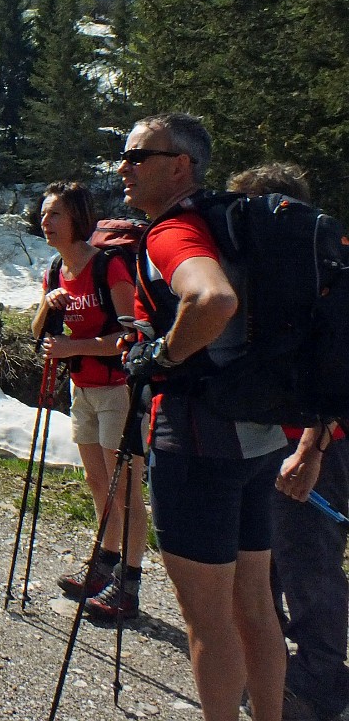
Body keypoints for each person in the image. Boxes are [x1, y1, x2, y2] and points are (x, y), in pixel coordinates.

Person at [119, 113, 288, 721]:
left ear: (181, 165)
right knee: (257, 611)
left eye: (139, 156)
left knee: (208, 622)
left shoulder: (173, 232)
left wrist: (160, 356)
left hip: (195, 442)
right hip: (259, 436)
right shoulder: (234, 223)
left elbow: (212, 297)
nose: (125, 167)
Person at [226, 162, 348, 721]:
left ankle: (321, 687)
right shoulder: (286, 270)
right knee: (267, 562)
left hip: (315, 446)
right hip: (275, 441)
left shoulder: (318, 273)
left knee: (308, 565)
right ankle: (278, 673)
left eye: (244, 206)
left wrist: (312, 448)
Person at [31, 182, 149, 618]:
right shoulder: (54, 271)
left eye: (55, 214)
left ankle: (129, 584)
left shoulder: (109, 267)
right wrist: (49, 306)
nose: (45, 222)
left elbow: (131, 336)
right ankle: (106, 564)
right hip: (82, 389)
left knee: (128, 488)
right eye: (44, 214)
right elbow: (39, 334)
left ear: (77, 218)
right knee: (99, 483)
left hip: (120, 389)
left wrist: (73, 348)